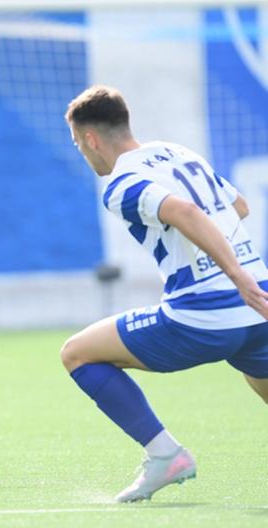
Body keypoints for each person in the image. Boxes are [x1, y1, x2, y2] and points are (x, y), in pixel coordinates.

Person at [61, 85, 268, 502]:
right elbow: (239, 207)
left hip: (206, 314)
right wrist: (238, 273)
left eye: (78, 144)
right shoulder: (177, 153)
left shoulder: (121, 185)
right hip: (259, 307)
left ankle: (165, 455)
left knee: (77, 354)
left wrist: (233, 276)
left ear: (91, 139)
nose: (82, 152)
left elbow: (184, 211)